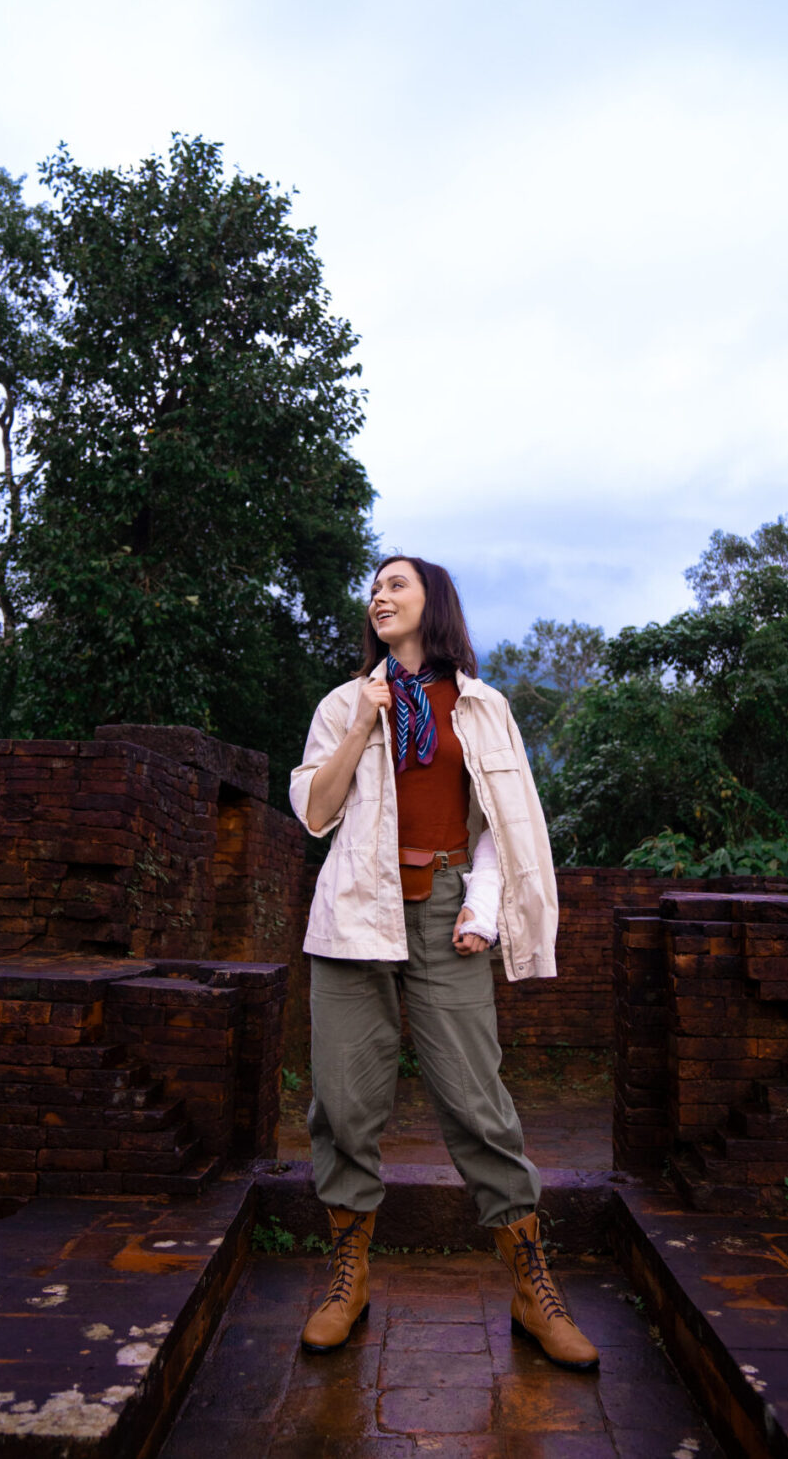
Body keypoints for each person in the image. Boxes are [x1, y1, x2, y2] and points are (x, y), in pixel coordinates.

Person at [289, 555, 599, 1372]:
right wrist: (363, 721)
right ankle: (348, 1275)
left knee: (478, 1104)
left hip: (445, 910)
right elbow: (316, 815)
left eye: (397, 583)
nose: (378, 595)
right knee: (344, 1105)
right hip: (355, 915)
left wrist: (483, 907)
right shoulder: (340, 704)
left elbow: (506, 820)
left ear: (434, 602)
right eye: (373, 587)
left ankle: (533, 1285)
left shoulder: (485, 707)